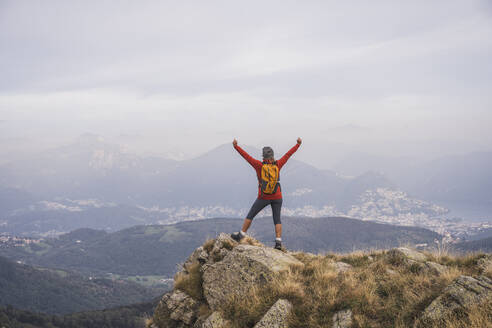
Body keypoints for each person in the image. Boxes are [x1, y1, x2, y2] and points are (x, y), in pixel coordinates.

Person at [231, 138, 302, 250]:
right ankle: (278, 242)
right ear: (273, 156)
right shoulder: (278, 164)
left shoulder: (259, 165)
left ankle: (241, 235)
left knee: (251, 214)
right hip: (277, 196)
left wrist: (236, 147)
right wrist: (297, 144)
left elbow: (246, 157)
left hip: (263, 196)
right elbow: (288, 155)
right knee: (277, 218)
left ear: (263, 157)